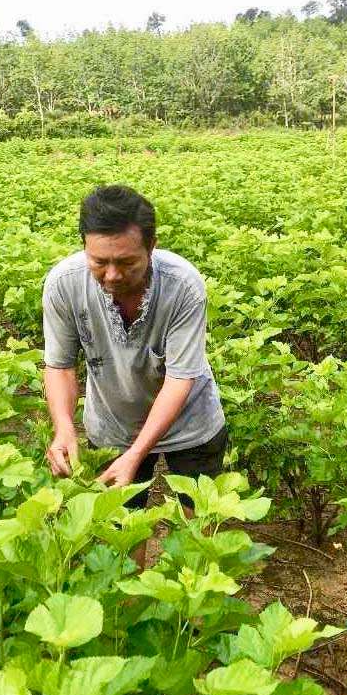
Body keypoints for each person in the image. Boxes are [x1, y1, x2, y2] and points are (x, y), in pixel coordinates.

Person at [41, 184, 227, 563]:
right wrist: (64, 428)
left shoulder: (183, 286)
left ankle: (189, 615)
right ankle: (129, 615)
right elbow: (60, 365)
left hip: (190, 421)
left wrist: (138, 452)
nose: (111, 275)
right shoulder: (63, 285)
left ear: (152, 246)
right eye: (99, 262)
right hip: (113, 423)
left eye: (126, 263)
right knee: (122, 539)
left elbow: (180, 379)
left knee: (198, 536)